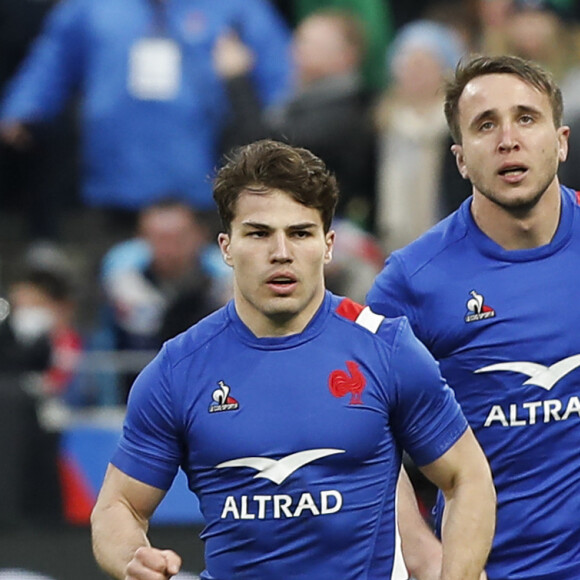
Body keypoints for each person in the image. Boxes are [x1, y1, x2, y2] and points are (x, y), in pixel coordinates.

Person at [90, 139, 495, 580]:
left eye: (300, 233)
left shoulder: (388, 350)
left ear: (328, 244)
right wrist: (133, 557)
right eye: (259, 233)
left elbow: (467, 478)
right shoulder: (177, 370)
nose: (280, 252)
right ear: (226, 247)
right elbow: (118, 505)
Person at [367, 54, 579, 579]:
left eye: (526, 118)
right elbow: (354, 428)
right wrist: (419, 547)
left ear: (561, 140)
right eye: (486, 125)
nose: (508, 139)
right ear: (460, 159)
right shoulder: (412, 281)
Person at [0, 0, 291, 225]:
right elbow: (52, 59)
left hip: (203, 183)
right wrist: (24, 107)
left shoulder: (236, 7)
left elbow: (281, 77)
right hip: (115, 181)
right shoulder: (92, 6)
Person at [214, 8, 375, 229]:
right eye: (298, 41)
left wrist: (238, 80)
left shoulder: (346, 113)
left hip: (324, 234)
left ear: (346, 55)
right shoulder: (293, 102)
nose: (295, 51)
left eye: (311, 45)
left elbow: (265, 151)